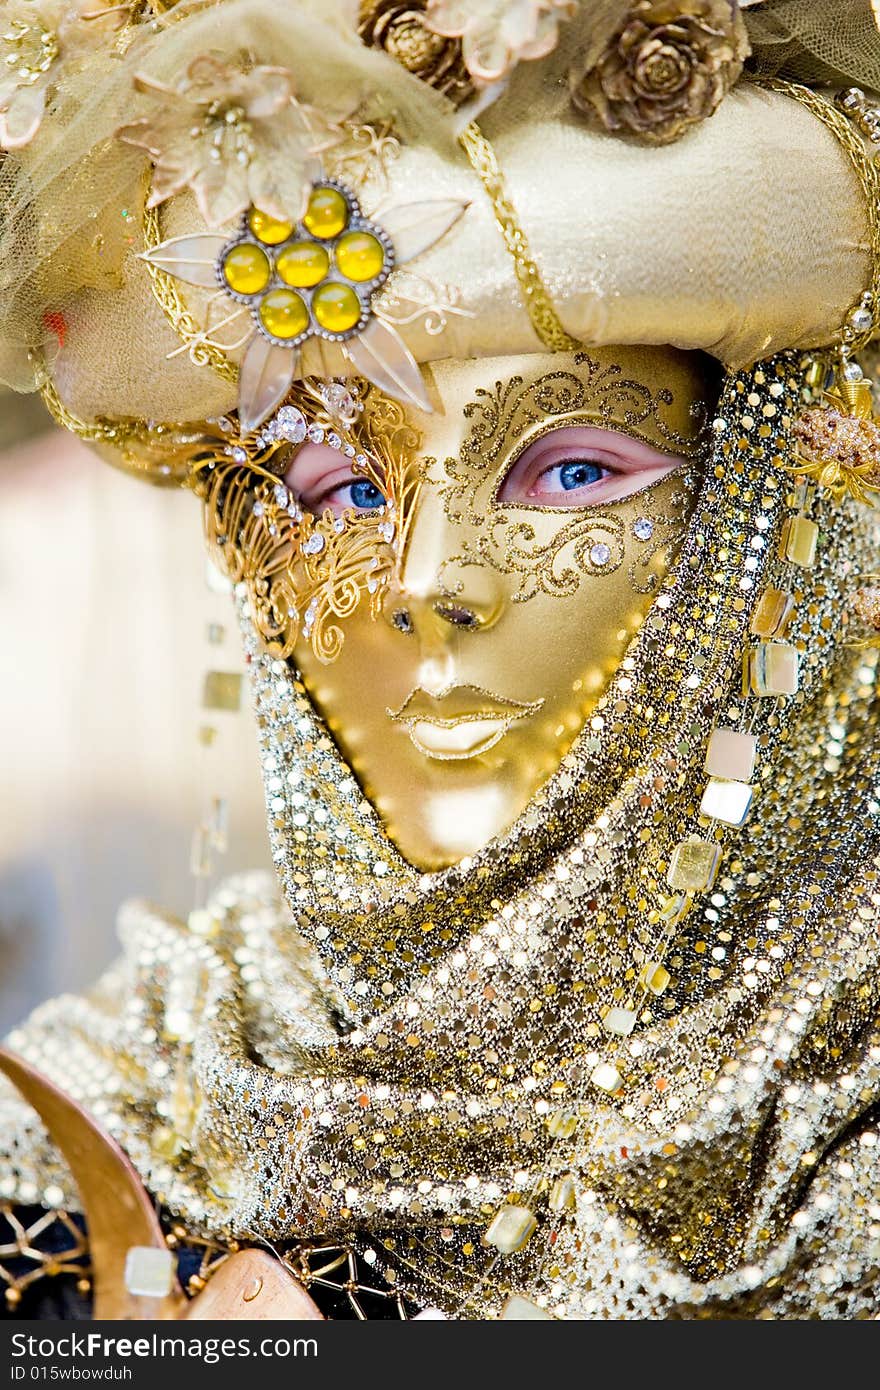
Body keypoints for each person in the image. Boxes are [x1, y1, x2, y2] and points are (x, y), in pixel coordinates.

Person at [2, 0, 880, 1321]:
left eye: (572, 472)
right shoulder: (122, 1115)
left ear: (748, 521)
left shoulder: (841, 1127)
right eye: (345, 490)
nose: (426, 591)